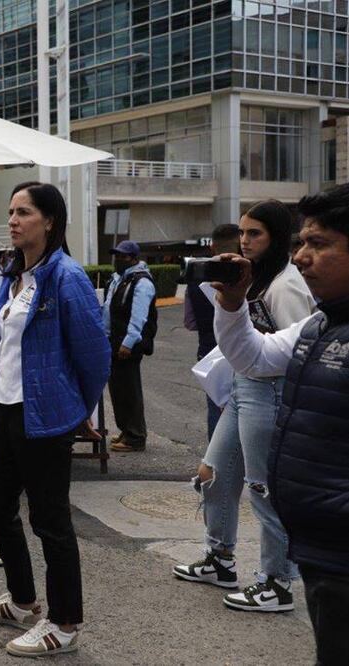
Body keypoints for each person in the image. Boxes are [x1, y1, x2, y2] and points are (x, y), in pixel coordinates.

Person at [209, 183, 349, 664]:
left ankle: (273, 578)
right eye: (301, 242)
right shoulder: (319, 324)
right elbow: (254, 356)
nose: (302, 257)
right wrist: (232, 305)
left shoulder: (296, 296)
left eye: (319, 243)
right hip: (321, 550)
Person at [0, 182, 110, 658]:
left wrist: (80, 410)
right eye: (11, 211)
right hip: (6, 407)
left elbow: (94, 354)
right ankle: (23, 599)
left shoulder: (65, 276)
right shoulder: (14, 276)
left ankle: (64, 623)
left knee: (50, 520)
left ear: (50, 221)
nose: (13, 220)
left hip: (47, 415)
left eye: (24, 212)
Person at [172, 200, 314, 613]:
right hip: (243, 387)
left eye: (255, 233)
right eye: (242, 232)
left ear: (277, 238)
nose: (245, 241)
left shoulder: (286, 285)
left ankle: (277, 582)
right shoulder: (254, 277)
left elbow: (298, 350)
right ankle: (220, 558)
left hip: (271, 392)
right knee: (212, 474)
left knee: (263, 489)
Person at [183, 224, 241, 439]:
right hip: (244, 355)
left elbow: (190, 322)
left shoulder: (197, 275)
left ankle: (215, 458)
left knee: (217, 412)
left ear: (212, 246)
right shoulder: (248, 273)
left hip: (210, 354)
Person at [102, 240, 158, 453]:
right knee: (119, 390)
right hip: (114, 341)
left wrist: (128, 342)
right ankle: (126, 430)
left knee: (129, 390)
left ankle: (135, 437)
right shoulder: (119, 279)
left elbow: (139, 316)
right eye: (116, 255)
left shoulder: (142, 282)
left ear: (134, 259)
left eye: (123, 256)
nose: (118, 260)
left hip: (127, 344)